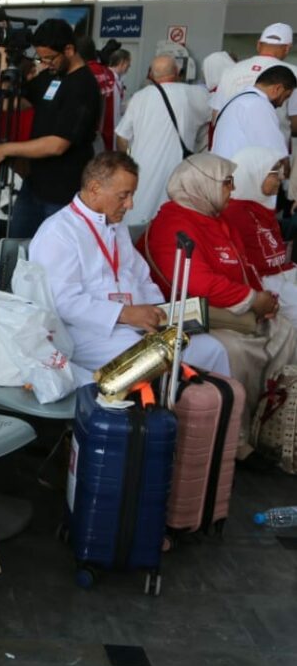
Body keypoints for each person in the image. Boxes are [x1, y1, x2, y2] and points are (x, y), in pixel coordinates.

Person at [140, 153, 297, 453]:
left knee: (285, 331)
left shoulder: (217, 218)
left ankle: (267, 425)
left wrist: (264, 301)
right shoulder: (172, 223)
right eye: (226, 183)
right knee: (235, 350)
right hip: (192, 317)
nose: (232, 189)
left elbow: (244, 268)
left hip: (234, 311)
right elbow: (196, 283)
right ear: (202, 184)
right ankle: (235, 442)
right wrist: (252, 300)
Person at [29, 152, 230, 379]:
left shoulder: (116, 225)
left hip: (133, 324)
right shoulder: (59, 232)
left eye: (132, 195)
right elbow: (63, 303)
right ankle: (165, 413)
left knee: (211, 350)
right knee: (154, 359)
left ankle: (211, 408)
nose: (130, 204)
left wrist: (159, 313)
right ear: (95, 189)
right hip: (86, 332)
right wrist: (124, 314)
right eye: (123, 196)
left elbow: (141, 277)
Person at [0, 18, 101, 239]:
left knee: (53, 254)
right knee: (16, 245)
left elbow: (57, 144)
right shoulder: (52, 77)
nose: (46, 63)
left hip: (63, 191)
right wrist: (8, 63)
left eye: (50, 58)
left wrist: (7, 149)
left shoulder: (83, 86)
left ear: (69, 50)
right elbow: (9, 103)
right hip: (35, 184)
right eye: (41, 58)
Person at [114, 54, 210, 228]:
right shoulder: (194, 94)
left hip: (142, 173)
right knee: (170, 225)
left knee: (137, 224)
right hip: (177, 175)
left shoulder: (139, 97)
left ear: (151, 75)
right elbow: (213, 114)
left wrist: (126, 162)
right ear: (177, 72)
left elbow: (122, 136)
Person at [223, 147, 297, 322]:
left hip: (283, 275)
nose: (280, 178)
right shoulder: (233, 212)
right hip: (264, 285)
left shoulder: (261, 205)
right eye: (273, 172)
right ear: (254, 173)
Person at [210, 23, 297, 137]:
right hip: (271, 149)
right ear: (287, 48)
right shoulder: (293, 73)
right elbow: (295, 122)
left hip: (228, 149)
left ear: (258, 44)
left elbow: (215, 117)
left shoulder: (230, 70)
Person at [211, 65, 295, 161]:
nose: (281, 104)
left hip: (223, 169)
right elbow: (277, 156)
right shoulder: (259, 104)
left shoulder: (238, 99)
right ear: (277, 89)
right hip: (236, 173)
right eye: (286, 96)